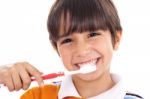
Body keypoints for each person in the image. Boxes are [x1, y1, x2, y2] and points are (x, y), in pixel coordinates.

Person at [1, 0, 143, 98]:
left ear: (116, 38)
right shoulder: (38, 96)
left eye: (93, 34)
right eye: (68, 40)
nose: (82, 51)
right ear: (56, 48)